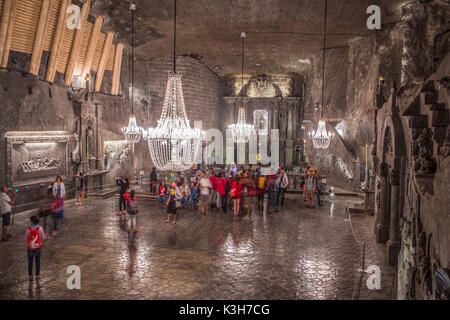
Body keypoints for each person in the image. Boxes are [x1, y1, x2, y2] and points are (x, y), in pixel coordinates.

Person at [25, 215, 46, 281]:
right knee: (37, 262)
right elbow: (43, 238)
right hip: (38, 247)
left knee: (30, 262)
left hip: (30, 248)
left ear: (31, 221)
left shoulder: (28, 229)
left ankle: (30, 275)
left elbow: (25, 238)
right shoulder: (40, 228)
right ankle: (37, 275)